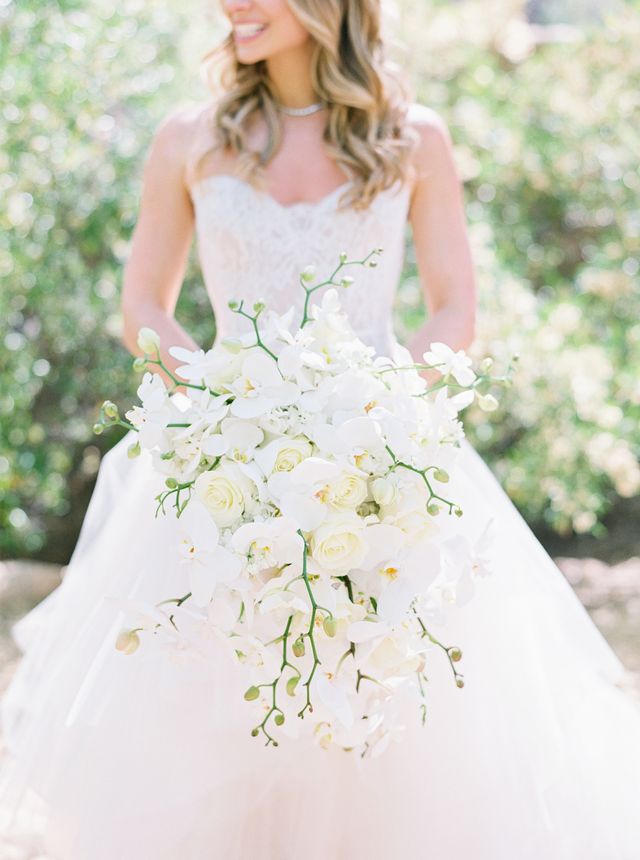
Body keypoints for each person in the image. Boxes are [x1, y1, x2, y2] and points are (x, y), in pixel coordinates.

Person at [2, 1, 640, 857]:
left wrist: (383, 420)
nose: (234, 3)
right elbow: (145, 307)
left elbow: (454, 308)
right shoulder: (188, 138)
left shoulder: (415, 137)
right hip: (219, 460)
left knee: (402, 708)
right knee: (209, 708)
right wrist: (220, 410)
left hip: (379, 457)